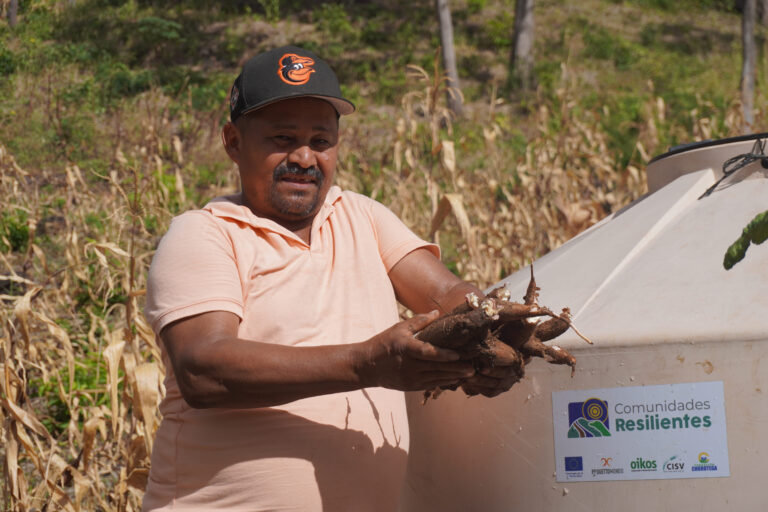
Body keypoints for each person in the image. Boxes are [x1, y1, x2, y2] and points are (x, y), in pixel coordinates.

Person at [142, 45, 519, 511]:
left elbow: (445, 292)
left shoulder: (361, 216)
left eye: (321, 141)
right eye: (282, 138)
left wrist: (493, 335)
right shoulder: (204, 234)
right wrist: (367, 363)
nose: (303, 157)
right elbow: (204, 369)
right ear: (233, 143)